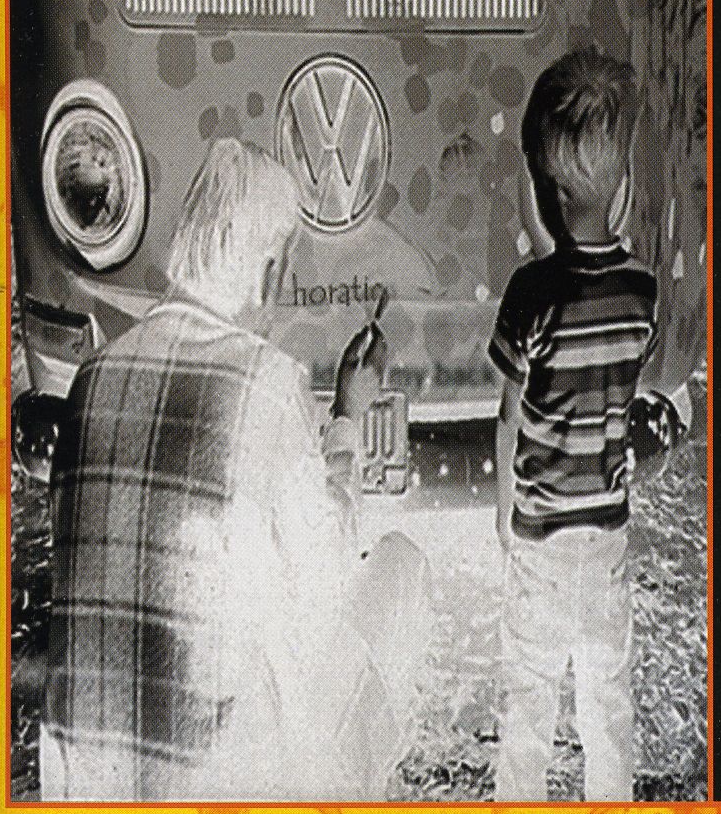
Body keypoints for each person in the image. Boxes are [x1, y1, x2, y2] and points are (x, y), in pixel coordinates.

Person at [40, 138, 429, 801]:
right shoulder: (265, 382)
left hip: (84, 777)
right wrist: (348, 414)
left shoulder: (90, 379)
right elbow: (328, 572)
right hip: (218, 779)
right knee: (399, 566)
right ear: (269, 268)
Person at [488, 47, 658, 801]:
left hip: (541, 536)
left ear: (543, 187)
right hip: (606, 533)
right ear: (621, 180)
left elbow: (509, 416)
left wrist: (505, 516)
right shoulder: (641, 291)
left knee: (528, 696)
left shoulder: (531, 292)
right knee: (606, 698)